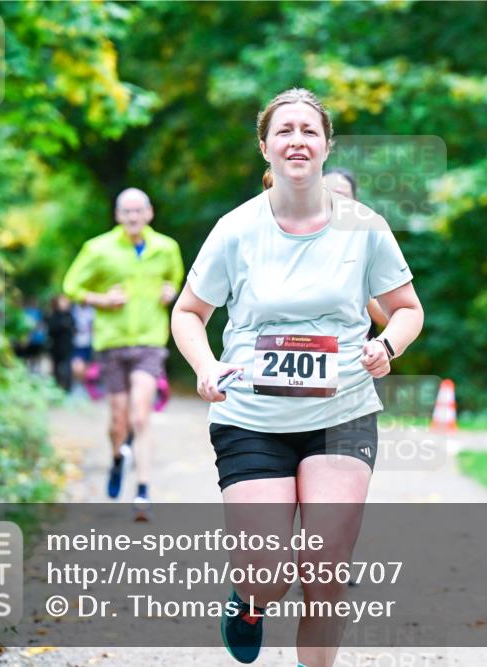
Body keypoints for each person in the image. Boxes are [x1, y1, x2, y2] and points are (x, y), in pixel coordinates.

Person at [171, 88, 423, 667]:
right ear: (265, 147)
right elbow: (188, 313)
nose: (297, 141)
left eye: (309, 130)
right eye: (284, 131)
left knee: (326, 569)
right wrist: (206, 366)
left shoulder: (365, 227)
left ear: (327, 145)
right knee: (267, 574)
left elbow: (408, 309)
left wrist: (387, 344)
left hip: (342, 413)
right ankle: (249, 601)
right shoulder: (236, 229)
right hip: (251, 417)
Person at [62, 187, 184, 521]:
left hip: (149, 341)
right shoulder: (98, 248)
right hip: (112, 342)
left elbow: (176, 280)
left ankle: (143, 491)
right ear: (118, 215)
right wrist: (101, 299)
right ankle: (118, 459)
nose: (132, 217)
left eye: (138, 211)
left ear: (149, 213)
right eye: (126, 212)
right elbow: (71, 287)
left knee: (140, 416)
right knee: (118, 419)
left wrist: (170, 291)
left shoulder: (166, 248)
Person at [323, 168, 389, 337]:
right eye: (325, 193)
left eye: (341, 195)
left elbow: (391, 317)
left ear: (355, 202)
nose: (333, 201)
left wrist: (356, 287)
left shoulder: (368, 242)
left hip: (354, 348)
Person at [46, 294, 76, 392]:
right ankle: (56, 388)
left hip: (67, 346)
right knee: (56, 369)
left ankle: (67, 389)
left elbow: (73, 329)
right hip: (55, 347)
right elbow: (51, 330)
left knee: (68, 368)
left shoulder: (69, 315)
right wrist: (63, 325)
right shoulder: (53, 315)